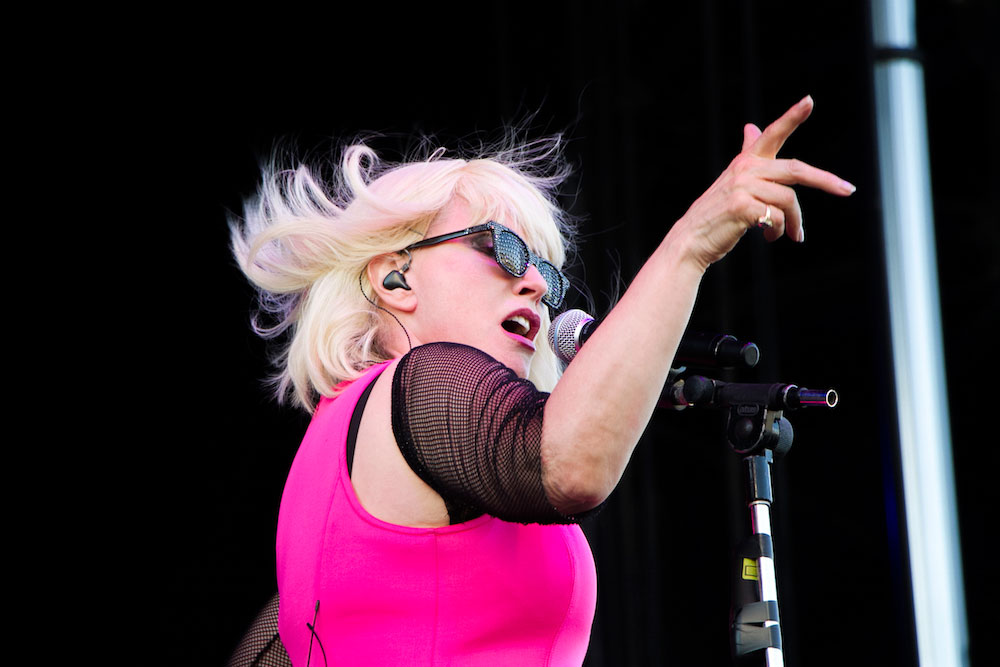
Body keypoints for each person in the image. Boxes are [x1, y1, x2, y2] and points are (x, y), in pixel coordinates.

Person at [227, 96, 855, 666]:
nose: (533, 282)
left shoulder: (329, 465)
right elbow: (570, 465)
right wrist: (692, 242)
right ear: (396, 279)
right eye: (500, 248)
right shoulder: (420, 380)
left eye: (545, 273)